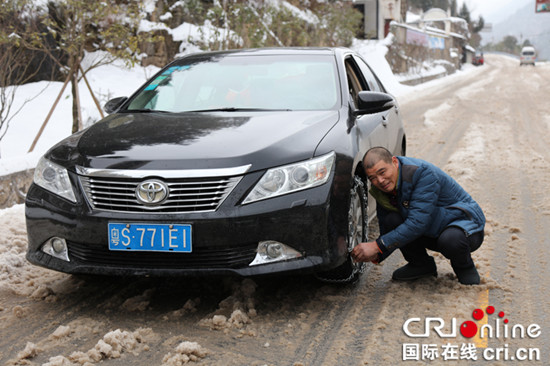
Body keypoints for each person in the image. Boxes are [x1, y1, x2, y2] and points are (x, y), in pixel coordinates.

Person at [351, 147, 485, 285]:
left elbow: (417, 223)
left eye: (382, 172)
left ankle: (464, 267)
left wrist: (377, 245)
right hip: (430, 226)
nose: (380, 180)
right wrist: (377, 253)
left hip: (464, 227)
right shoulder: (382, 188)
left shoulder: (422, 173)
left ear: (394, 162)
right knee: (392, 219)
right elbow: (387, 227)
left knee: (450, 240)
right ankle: (421, 265)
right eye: (372, 178)